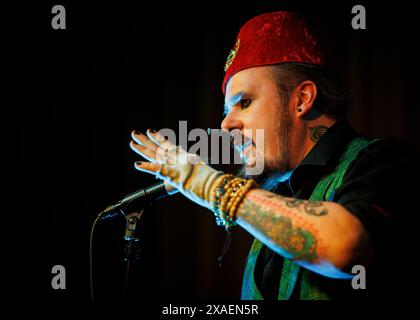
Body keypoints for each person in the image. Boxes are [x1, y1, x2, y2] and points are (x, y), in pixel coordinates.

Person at [129, 12, 418, 300]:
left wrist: (212, 187)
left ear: (302, 99)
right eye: (226, 111)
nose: (226, 125)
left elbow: (345, 246)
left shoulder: (385, 161)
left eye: (244, 102)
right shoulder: (277, 197)